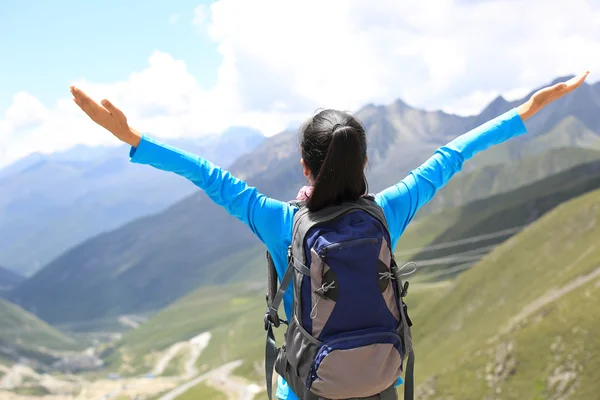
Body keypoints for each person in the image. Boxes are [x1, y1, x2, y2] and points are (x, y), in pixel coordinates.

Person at [70, 71, 589, 400]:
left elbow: (209, 176)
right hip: (382, 379)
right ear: (365, 163)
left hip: (311, 387)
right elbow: (450, 157)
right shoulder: (387, 211)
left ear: (304, 165)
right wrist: (523, 113)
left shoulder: (279, 222)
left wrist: (134, 139)